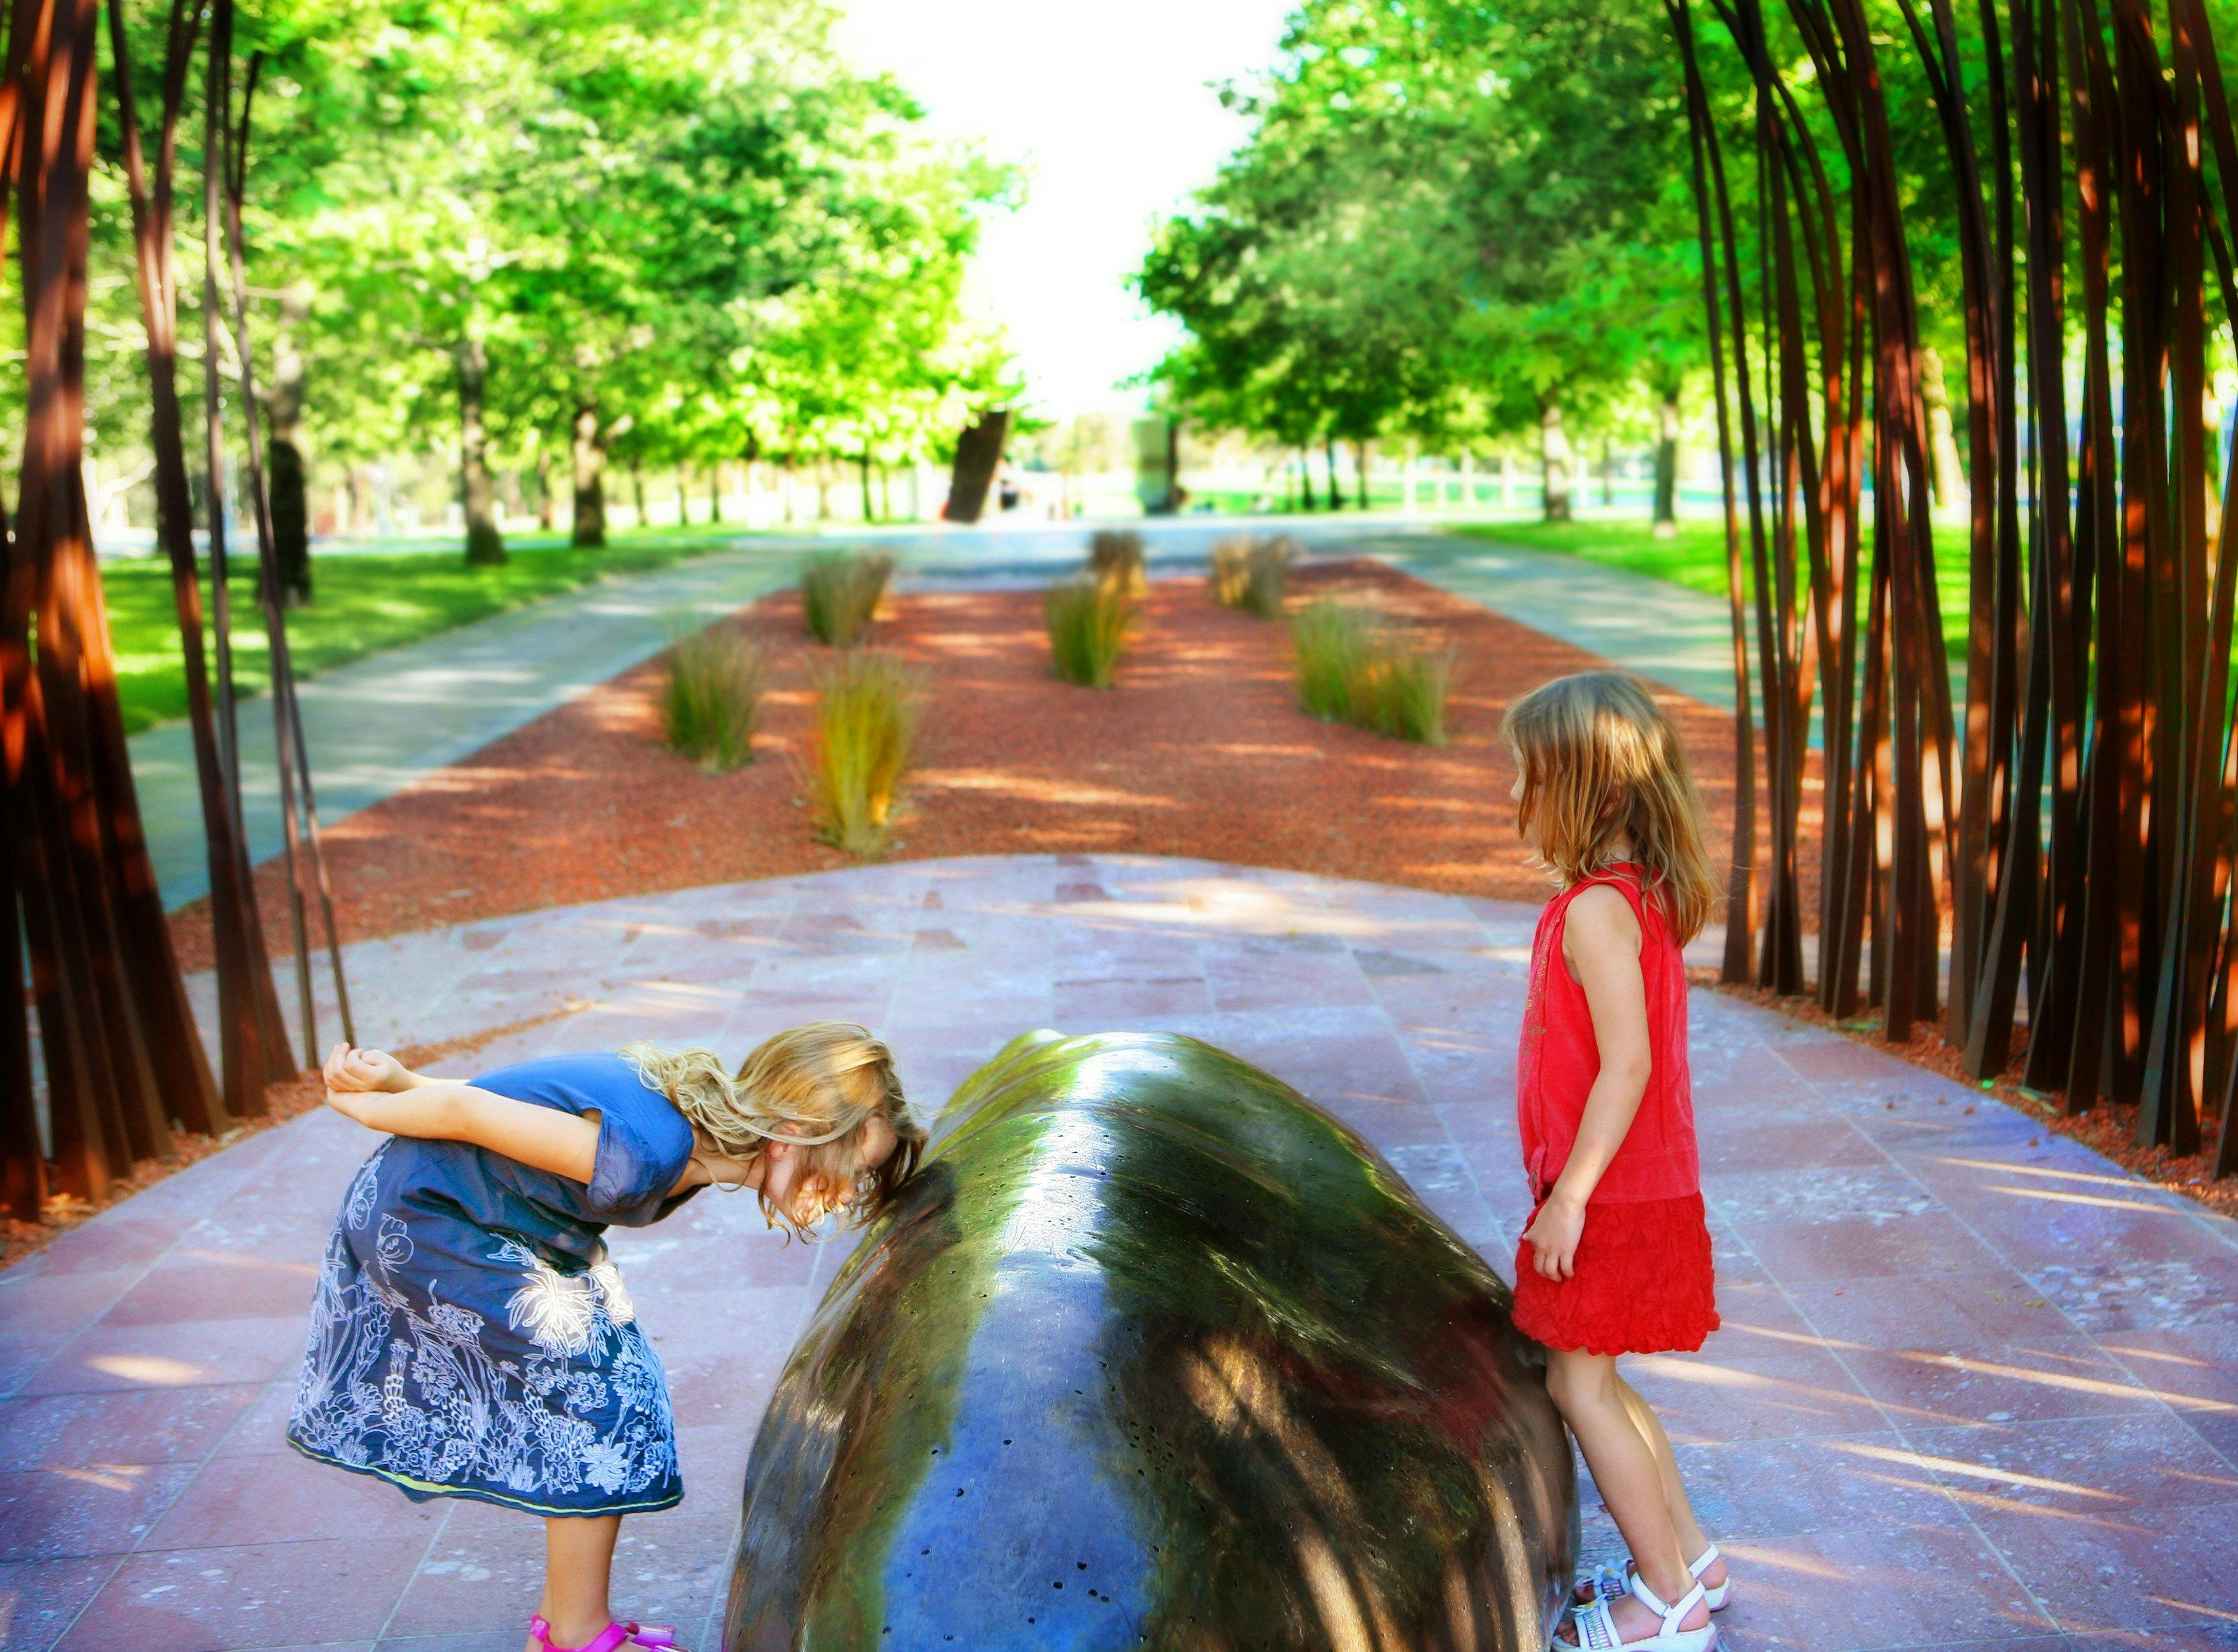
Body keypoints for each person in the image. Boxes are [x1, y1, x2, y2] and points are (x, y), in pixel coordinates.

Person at [287, 1024, 925, 1652]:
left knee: (623, 1378)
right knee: (598, 1398)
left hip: (499, 1221)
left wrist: (401, 1080)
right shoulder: (655, 1148)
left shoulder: (691, 1140)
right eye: (841, 1173)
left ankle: (562, 1624)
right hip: (428, 1221)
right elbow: (464, 1109)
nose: (841, 1198)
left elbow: (502, 1109)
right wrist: (367, 1105)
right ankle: (578, 1634)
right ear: (794, 1134)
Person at [1502, 672, 1728, 1652]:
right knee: (1602, 1377)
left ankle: (1667, 1605)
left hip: (1611, 1194)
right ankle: (1692, 1560)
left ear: (1588, 789)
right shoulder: (1637, 894)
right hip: (1641, 1188)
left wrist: (1570, 1201)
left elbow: (1625, 1063)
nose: (1519, 796)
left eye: (1532, 775)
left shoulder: (1600, 907)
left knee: (1576, 1386)